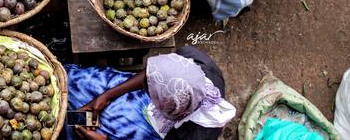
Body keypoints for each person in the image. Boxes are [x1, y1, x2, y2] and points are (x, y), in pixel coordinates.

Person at [68, 46, 235, 140]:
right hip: (161, 100)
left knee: (72, 128)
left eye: (151, 92)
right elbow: (151, 74)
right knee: (77, 84)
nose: (146, 89)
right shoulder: (196, 62)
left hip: (157, 134)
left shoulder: (195, 136)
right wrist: (106, 96)